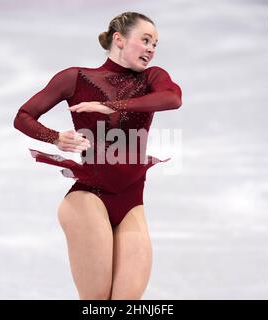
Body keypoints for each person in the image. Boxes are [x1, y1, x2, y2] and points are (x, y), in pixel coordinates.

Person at [13, 11, 182, 300]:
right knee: (96, 303)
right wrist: (55, 138)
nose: (151, 49)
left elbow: (173, 98)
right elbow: (23, 117)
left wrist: (113, 106)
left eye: (155, 43)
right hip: (87, 198)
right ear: (119, 39)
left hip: (131, 201)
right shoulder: (76, 78)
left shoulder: (153, 78)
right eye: (145, 40)